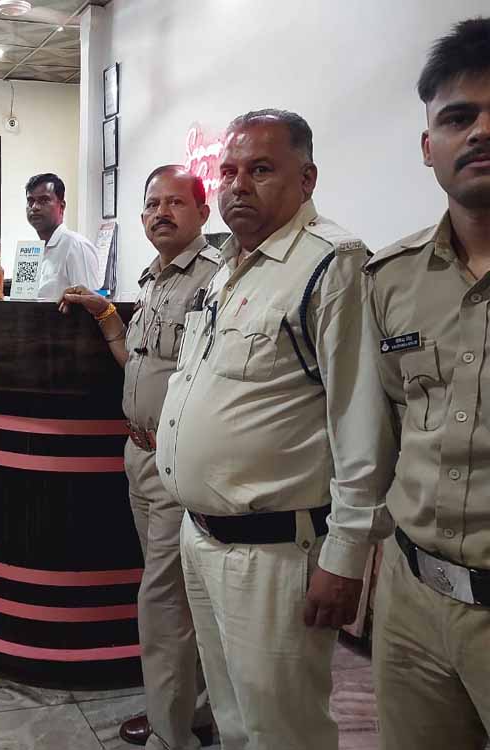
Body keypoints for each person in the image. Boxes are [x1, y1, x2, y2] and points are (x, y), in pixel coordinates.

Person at [155, 110, 395, 749]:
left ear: (306, 178)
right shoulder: (227, 266)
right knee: (235, 722)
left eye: (260, 170)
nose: (238, 185)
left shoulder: (332, 265)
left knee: (283, 731)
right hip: (201, 537)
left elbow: (362, 424)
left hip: (272, 554)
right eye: (229, 171)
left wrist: (345, 558)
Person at [61, 165, 218, 750]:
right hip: (139, 453)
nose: (160, 213)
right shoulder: (154, 278)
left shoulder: (215, 277)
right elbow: (139, 361)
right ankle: (193, 712)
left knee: (163, 600)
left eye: (175, 202)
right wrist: (105, 314)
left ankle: (169, 731)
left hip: (178, 462)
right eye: (151, 204)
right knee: (174, 595)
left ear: (203, 212)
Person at [366, 19, 490, 749]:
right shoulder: (391, 280)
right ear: (428, 146)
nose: (480, 131)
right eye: (458, 116)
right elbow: (390, 421)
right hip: (411, 600)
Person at [25, 172, 102, 300]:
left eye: (44, 200)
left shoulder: (76, 246)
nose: (35, 207)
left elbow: (90, 304)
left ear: (61, 206)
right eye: (30, 201)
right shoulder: (32, 252)